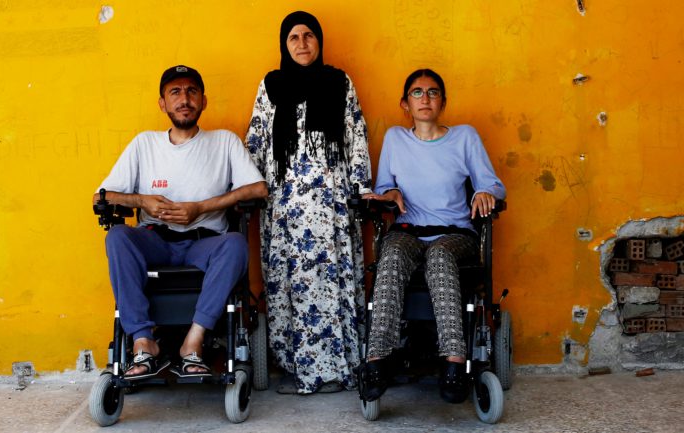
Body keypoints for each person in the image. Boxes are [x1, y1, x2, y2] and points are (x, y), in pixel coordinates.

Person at [96, 65, 268, 380]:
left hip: (205, 243)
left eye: (191, 91)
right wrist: (141, 200)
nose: (184, 99)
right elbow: (101, 198)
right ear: (163, 103)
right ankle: (144, 343)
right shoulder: (144, 144)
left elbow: (258, 189)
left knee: (235, 243)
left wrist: (200, 208)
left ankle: (194, 342)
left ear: (203, 100)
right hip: (155, 241)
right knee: (118, 237)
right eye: (175, 92)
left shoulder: (224, 142)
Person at [360, 69, 506, 403]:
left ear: (443, 101)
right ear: (405, 103)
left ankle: (454, 362)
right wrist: (387, 194)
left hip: (454, 234)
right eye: (416, 93)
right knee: (391, 254)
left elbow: (494, 184)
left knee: (439, 256)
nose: (425, 99)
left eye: (432, 92)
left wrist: (485, 193)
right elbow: (384, 186)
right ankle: (377, 360)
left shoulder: (465, 137)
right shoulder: (396, 139)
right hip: (409, 230)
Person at [245, 11, 372, 394]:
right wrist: (251, 188)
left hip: (332, 202)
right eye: (294, 38)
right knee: (289, 283)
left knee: (332, 280)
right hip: (284, 207)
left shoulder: (339, 82)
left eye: (309, 36)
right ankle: (296, 367)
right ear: (284, 44)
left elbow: (356, 134)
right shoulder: (271, 85)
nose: (302, 44)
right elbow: (256, 139)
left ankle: (338, 368)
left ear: (319, 41)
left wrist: (361, 187)